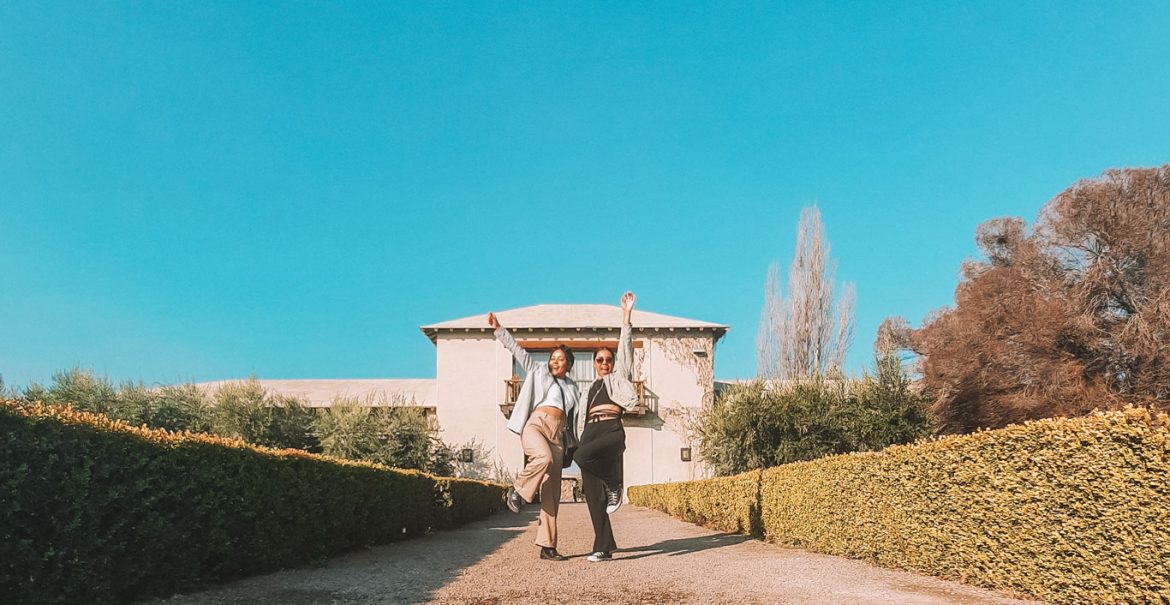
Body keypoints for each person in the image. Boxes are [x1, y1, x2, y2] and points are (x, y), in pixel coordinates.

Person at [488, 310, 580, 561]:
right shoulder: (539, 371)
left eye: (560, 359)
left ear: (569, 364)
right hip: (536, 426)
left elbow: (574, 419)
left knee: (552, 495)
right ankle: (517, 490)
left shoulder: (574, 388)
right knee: (543, 458)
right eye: (553, 358)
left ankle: (547, 547)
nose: (555, 361)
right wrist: (499, 330)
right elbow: (519, 352)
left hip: (558, 435)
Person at [573, 291, 640, 562]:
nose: (604, 363)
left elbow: (625, 348)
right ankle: (603, 546)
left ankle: (614, 483)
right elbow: (580, 419)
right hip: (590, 433)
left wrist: (626, 315)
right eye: (599, 360)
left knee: (581, 457)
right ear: (593, 364)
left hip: (611, 429)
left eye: (607, 360)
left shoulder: (618, 377)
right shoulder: (588, 389)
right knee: (593, 496)